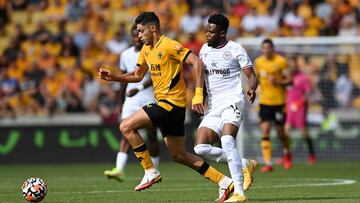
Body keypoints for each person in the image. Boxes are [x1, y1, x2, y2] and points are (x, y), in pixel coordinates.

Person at [99, 12, 234, 202]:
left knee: (126, 126)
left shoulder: (169, 45)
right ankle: (223, 181)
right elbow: (137, 75)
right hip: (170, 108)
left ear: (152, 29)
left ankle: (150, 170)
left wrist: (197, 96)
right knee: (179, 155)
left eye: (141, 31)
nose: (139, 35)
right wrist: (113, 77)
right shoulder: (147, 49)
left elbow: (196, 63)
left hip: (170, 104)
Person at [193, 14, 259, 202]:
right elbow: (204, 80)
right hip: (214, 106)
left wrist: (252, 89)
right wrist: (200, 99)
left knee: (228, 140)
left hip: (233, 100)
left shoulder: (236, 49)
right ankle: (245, 163)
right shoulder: (204, 50)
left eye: (211, 32)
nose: (207, 34)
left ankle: (239, 193)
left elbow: (252, 76)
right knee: (200, 148)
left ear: (222, 33)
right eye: (206, 30)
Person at [104, 25, 160, 181]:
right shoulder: (125, 55)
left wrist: (140, 87)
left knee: (152, 135)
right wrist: (121, 100)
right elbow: (123, 79)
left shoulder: (152, 52)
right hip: (130, 99)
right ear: (131, 37)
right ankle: (119, 169)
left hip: (148, 97)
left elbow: (155, 77)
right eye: (134, 36)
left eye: (139, 35)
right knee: (126, 130)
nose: (137, 38)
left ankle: (153, 169)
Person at [255, 38, 292, 173]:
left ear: (272, 48)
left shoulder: (281, 61)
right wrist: (252, 89)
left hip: (279, 102)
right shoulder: (259, 62)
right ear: (262, 49)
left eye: (268, 48)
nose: (266, 50)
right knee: (265, 130)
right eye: (264, 48)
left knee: (281, 133)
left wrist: (277, 81)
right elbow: (256, 78)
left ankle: (287, 153)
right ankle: (268, 163)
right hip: (264, 102)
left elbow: (289, 80)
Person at [285, 56, 316, 165]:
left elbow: (308, 93)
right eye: (290, 65)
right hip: (289, 109)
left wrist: (298, 103)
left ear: (296, 66)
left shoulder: (302, 78)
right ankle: (287, 157)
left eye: (293, 65)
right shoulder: (287, 77)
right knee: (286, 131)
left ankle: (312, 154)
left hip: (300, 109)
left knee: (304, 133)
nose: (291, 67)